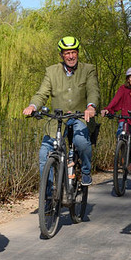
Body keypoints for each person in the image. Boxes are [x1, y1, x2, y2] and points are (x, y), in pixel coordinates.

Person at [22, 36, 99, 187]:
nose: (71, 56)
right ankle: (49, 198)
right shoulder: (51, 71)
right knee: (45, 153)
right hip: (59, 118)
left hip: (80, 116)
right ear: (61, 55)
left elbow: (93, 90)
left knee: (81, 141)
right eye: (67, 53)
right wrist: (33, 106)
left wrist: (91, 106)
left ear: (78, 53)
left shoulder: (88, 70)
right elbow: (42, 93)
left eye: (73, 52)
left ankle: (85, 171)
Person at [101, 67, 131, 181]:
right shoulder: (122, 89)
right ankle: (124, 157)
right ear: (128, 79)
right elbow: (115, 102)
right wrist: (108, 109)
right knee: (120, 134)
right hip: (125, 119)